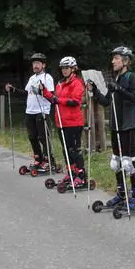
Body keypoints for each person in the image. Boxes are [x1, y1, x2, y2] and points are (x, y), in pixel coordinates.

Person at [87, 46, 135, 209]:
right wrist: (96, 91)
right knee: (117, 162)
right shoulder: (116, 79)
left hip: (127, 124)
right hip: (115, 125)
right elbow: (106, 102)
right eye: (113, 58)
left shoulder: (130, 77)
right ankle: (121, 194)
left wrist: (118, 89)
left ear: (125, 61)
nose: (113, 61)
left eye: (116, 58)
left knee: (129, 162)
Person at [5, 53, 56, 172]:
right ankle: (38, 158)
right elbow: (27, 93)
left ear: (43, 65)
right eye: (34, 63)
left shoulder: (47, 77)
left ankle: (49, 160)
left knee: (43, 137)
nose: (35, 65)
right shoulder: (32, 78)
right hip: (30, 111)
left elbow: (52, 96)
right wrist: (13, 90)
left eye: (38, 63)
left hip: (42, 111)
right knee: (32, 137)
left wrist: (41, 91)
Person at [43, 56, 88, 187]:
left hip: (74, 122)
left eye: (67, 68)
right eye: (62, 68)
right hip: (61, 122)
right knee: (66, 150)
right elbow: (54, 99)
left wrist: (59, 100)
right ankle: (71, 173)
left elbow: (75, 101)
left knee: (74, 150)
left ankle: (81, 175)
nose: (64, 70)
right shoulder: (60, 84)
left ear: (74, 69)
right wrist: (44, 92)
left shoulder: (77, 83)